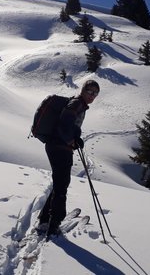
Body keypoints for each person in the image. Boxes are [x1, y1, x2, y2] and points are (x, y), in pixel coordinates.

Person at [38, 79, 100, 237]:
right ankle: (53, 225)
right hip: (60, 147)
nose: (92, 95)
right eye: (89, 91)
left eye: (95, 93)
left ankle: (45, 220)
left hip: (56, 146)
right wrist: (71, 140)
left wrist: (74, 138)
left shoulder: (78, 104)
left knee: (59, 183)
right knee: (61, 186)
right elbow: (64, 122)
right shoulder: (76, 104)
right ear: (83, 90)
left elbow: (69, 125)